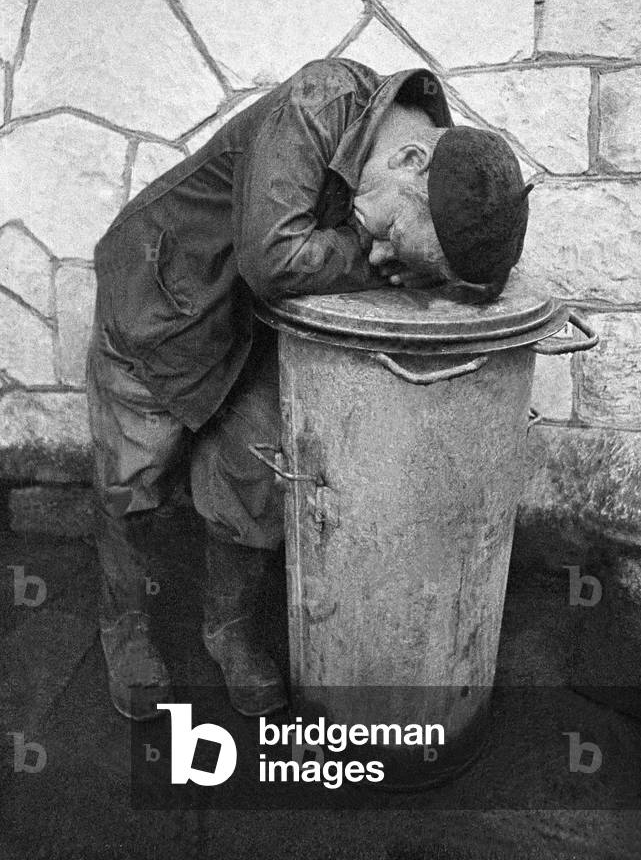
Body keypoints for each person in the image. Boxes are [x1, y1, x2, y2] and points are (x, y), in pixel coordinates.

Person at [86, 57, 531, 722]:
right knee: (132, 481)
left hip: (254, 326)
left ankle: (227, 631)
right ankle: (123, 629)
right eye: (387, 239)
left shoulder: (441, 176)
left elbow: (306, 266)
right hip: (162, 301)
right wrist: (365, 244)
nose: (379, 260)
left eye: (390, 257)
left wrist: (421, 266)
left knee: (255, 479)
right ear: (410, 159)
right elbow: (272, 259)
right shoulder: (320, 101)